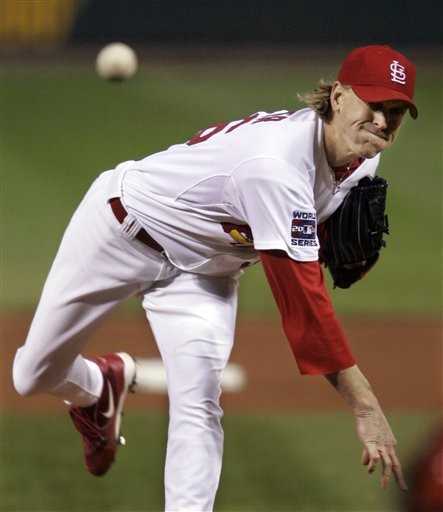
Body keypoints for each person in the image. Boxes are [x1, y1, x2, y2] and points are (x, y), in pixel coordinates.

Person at [13, 44, 416, 511]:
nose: (384, 123)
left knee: (199, 403)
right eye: (375, 105)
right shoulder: (275, 168)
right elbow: (305, 310)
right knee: (32, 373)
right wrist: (365, 407)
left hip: (205, 275)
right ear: (341, 96)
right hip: (119, 233)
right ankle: (100, 386)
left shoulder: (366, 158)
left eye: (396, 112)